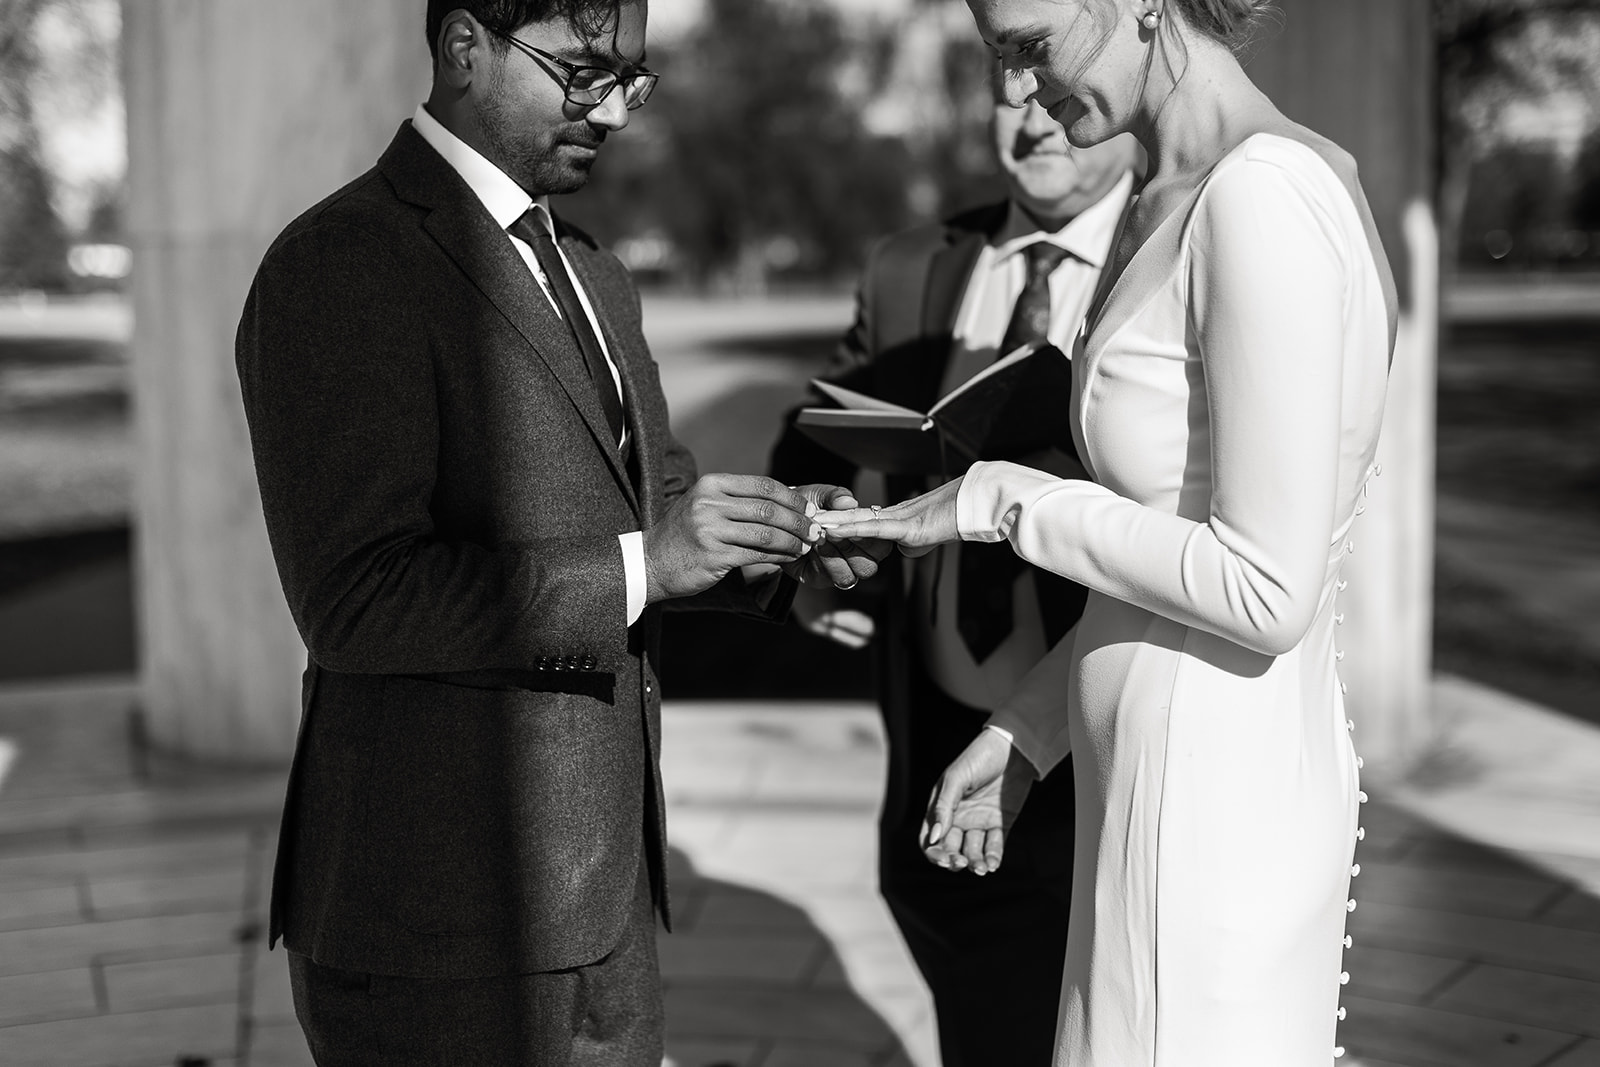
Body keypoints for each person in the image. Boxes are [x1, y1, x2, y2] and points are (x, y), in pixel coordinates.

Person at [233, 2, 874, 1063]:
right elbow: (357, 600)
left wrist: (784, 554)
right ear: (463, 48)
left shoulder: (591, 266)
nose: (614, 109)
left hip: (608, 900)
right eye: (582, 72)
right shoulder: (341, 262)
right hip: (436, 923)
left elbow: (653, 508)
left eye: (629, 78)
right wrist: (644, 564)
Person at [818, 0, 1398, 1063]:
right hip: (1151, 787)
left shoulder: (1260, 194)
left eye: (1031, 48)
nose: (1019, 91)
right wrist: (1029, 728)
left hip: (1204, 810)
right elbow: (1169, 548)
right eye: (998, 57)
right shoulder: (1177, 192)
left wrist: (1000, 498)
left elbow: (1265, 588)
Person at [769, 90, 1138, 1064]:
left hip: (1094, 747)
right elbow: (812, 437)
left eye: (1057, 94)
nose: (1034, 122)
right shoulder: (909, 266)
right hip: (939, 755)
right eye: (1009, 93)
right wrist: (816, 546)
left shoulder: (1167, 257)